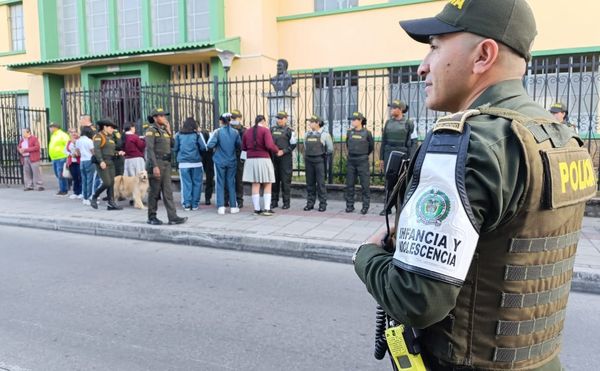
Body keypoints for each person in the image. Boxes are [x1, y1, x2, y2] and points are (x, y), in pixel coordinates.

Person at [353, 1, 595, 371]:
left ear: (483, 55)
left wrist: (366, 256)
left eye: (434, 46)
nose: (422, 67)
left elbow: (417, 301)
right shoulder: (560, 139)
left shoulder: (465, 144)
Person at [145, 108, 187, 225]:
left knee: (168, 192)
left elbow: (173, 145)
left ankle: (172, 217)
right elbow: (150, 149)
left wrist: (169, 132)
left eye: (164, 115)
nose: (164, 118)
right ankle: (151, 217)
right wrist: (154, 166)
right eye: (161, 116)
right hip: (156, 163)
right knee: (154, 192)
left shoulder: (164, 131)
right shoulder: (151, 131)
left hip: (166, 164)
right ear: (155, 118)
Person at [379, 99, 415, 215]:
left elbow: (413, 142)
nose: (391, 110)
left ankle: (400, 207)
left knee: (402, 181)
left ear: (400, 110)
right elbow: (383, 142)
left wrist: (411, 159)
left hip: (402, 154)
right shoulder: (388, 123)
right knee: (389, 182)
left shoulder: (409, 123)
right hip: (389, 153)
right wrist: (381, 159)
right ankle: (387, 207)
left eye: (394, 108)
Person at [242, 115, 282, 216]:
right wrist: (277, 150)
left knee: (255, 184)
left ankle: (257, 209)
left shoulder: (247, 131)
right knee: (267, 183)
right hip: (263, 158)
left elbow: (244, 147)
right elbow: (269, 145)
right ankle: (267, 209)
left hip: (251, 159)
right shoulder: (265, 130)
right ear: (263, 121)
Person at [207, 113, 242, 215]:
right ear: (230, 120)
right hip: (231, 160)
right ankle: (233, 206)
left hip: (219, 160)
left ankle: (221, 206)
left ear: (221, 121)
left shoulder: (217, 132)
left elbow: (210, 145)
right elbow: (239, 145)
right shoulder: (235, 132)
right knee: (231, 183)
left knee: (220, 183)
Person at [174, 117, 207, 211]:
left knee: (186, 184)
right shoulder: (197, 135)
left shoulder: (178, 134)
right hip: (196, 163)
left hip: (183, 163)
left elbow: (175, 148)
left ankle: (187, 204)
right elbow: (204, 147)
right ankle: (195, 204)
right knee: (197, 184)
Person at [344, 112, 374, 215]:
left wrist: (363, 154)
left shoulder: (367, 133)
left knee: (365, 185)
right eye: (352, 119)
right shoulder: (349, 133)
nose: (352, 121)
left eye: (354, 119)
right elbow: (347, 144)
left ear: (360, 120)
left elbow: (371, 147)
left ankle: (365, 206)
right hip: (351, 160)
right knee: (350, 185)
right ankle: (349, 206)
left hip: (362, 161)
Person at [89, 119, 122, 211]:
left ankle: (111, 203)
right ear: (105, 127)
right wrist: (100, 161)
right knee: (107, 182)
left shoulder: (110, 137)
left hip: (110, 162)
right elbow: (97, 149)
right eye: (111, 128)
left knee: (111, 183)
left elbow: (110, 151)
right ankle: (94, 197)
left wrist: (118, 153)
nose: (113, 129)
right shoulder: (99, 136)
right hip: (102, 162)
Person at [303, 115, 333, 212]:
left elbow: (330, 149)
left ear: (318, 123)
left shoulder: (325, 135)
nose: (310, 123)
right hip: (309, 160)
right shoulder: (307, 134)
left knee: (320, 184)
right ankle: (310, 203)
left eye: (312, 122)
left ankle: (322, 204)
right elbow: (305, 146)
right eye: (310, 122)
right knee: (310, 183)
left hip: (319, 160)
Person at [270, 111, 297, 210]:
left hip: (285, 158)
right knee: (274, 180)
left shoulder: (290, 131)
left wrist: (284, 151)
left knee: (285, 181)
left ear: (286, 119)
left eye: (281, 118)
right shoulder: (272, 129)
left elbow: (293, 144)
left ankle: (286, 202)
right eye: (278, 118)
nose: (279, 120)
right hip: (274, 157)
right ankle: (274, 201)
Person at [226, 109, 246, 208]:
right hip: (228, 156)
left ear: (240, 118)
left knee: (238, 179)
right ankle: (226, 199)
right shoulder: (226, 128)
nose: (233, 120)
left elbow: (245, 145)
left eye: (235, 118)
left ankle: (239, 200)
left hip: (238, 157)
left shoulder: (243, 130)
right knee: (227, 178)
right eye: (232, 118)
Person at [48, 122, 70, 196]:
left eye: (51, 127)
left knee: (61, 174)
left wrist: (67, 155)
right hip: (55, 157)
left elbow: (68, 145)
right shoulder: (53, 135)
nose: (50, 129)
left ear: (55, 127)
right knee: (58, 174)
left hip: (61, 157)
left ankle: (63, 190)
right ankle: (64, 187)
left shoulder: (62, 135)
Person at [76, 128, 95, 206]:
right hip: (89, 160)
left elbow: (77, 152)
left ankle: (84, 197)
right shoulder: (89, 141)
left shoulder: (78, 141)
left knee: (84, 180)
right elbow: (93, 151)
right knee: (90, 180)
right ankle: (88, 197)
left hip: (82, 161)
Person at [66, 128, 82, 200]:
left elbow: (81, 149)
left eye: (74, 132)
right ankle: (76, 192)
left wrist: (76, 153)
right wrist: (70, 154)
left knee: (80, 177)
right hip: (72, 161)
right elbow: (65, 150)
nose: (73, 133)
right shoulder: (69, 141)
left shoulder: (79, 140)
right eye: (71, 132)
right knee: (75, 178)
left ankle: (81, 192)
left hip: (79, 161)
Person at [200, 128, 215, 205]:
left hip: (199, 157)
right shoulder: (212, 135)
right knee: (210, 178)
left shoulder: (197, 135)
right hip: (210, 157)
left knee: (196, 179)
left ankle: (195, 198)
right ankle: (207, 198)